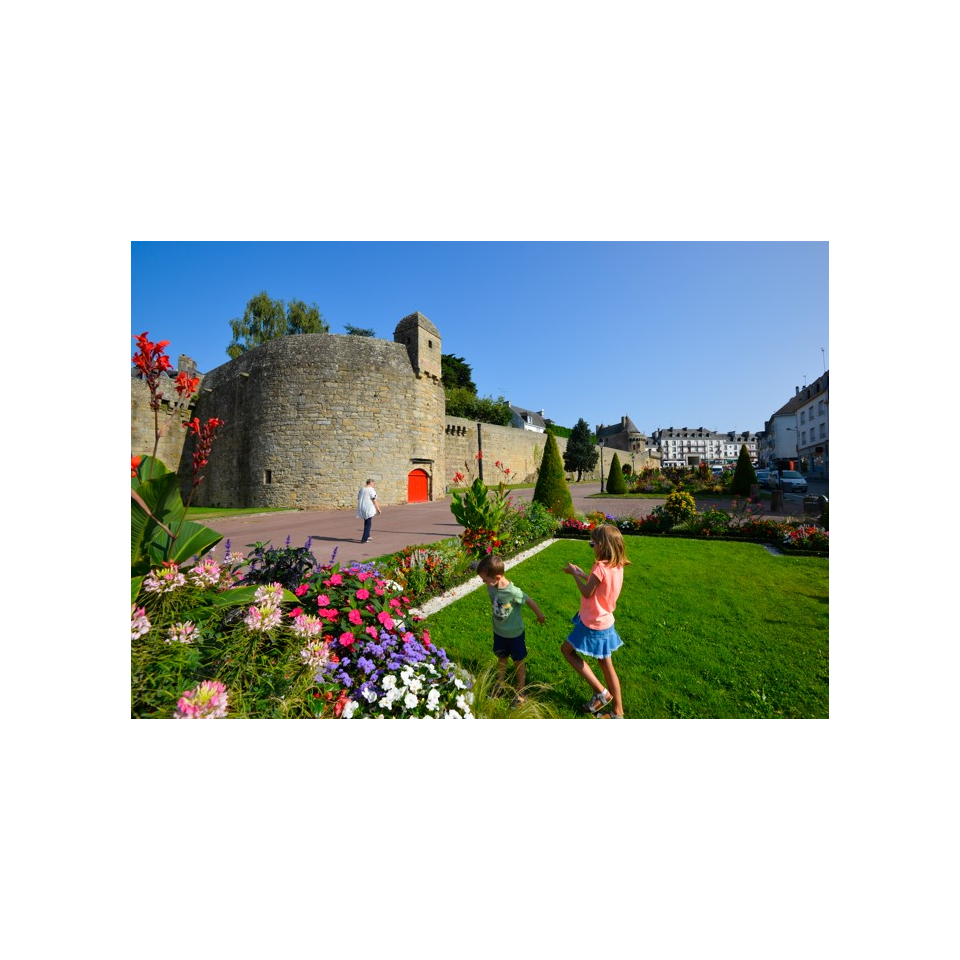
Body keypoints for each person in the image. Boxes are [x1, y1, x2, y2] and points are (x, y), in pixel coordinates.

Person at [560, 523, 629, 719]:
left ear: (602, 545)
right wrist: (584, 574)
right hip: (606, 621)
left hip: (592, 622)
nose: (592, 547)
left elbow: (587, 592)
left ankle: (602, 692)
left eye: (593, 544)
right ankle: (618, 712)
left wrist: (575, 575)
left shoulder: (600, 567)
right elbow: (599, 585)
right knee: (607, 665)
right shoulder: (617, 565)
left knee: (566, 650)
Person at [476, 553, 545, 706]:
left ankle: (521, 692)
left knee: (518, 662)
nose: (484, 583)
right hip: (499, 633)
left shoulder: (513, 592)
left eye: (485, 580)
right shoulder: (492, 586)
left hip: (515, 635)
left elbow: (529, 600)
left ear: (498, 577)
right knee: (501, 659)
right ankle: (499, 685)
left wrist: (540, 615)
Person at [356, 478, 382, 543]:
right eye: (374, 484)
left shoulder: (362, 489)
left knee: (366, 521)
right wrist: (378, 509)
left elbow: (358, 497)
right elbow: (374, 499)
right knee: (368, 523)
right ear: (371, 483)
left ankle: (368, 536)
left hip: (362, 507)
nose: (374, 485)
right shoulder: (371, 490)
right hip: (368, 507)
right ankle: (364, 539)